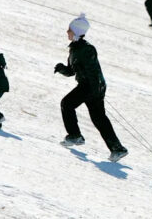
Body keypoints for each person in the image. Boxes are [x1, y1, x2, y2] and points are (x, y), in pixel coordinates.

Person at [54, 14, 128, 162]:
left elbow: (93, 72)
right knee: (99, 118)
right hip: (90, 86)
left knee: (67, 104)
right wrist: (62, 69)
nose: (66, 32)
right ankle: (117, 149)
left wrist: (95, 91)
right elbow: (72, 71)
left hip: (91, 86)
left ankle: (75, 135)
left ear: (75, 31)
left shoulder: (87, 49)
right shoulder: (75, 48)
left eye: (69, 29)